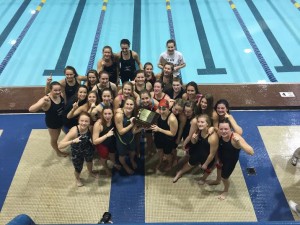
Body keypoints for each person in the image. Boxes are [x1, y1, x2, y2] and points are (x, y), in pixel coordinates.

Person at [200, 119, 254, 200]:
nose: (223, 131)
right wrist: (212, 128)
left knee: (224, 178)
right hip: (220, 157)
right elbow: (215, 129)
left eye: (226, 129)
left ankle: (225, 190)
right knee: (218, 168)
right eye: (221, 129)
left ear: (230, 129)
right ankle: (217, 181)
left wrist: (239, 144)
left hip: (230, 161)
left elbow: (251, 152)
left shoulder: (235, 138)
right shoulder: (220, 133)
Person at [173, 114, 219, 183]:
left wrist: (206, 164)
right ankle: (179, 173)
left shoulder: (213, 137)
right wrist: (193, 138)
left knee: (208, 169)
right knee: (189, 164)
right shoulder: (198, 131)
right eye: (198, 122)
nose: (199, 124)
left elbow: (212, 154)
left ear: (207, 124)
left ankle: (203, 179)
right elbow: (194, 143)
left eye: (202, 122)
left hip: (207, 156)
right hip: (198, 152)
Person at [29, 81, 68, 157]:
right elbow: (31, 109)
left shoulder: (61, 95)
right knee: (54, 139)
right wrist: (41, 103)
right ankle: (58, 152)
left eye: (59, 90)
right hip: (53, 124)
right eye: (55, 90)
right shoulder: (46, 100)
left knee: (67, 133)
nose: (58, 92)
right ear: (50, 90)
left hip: (62, 120)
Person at [58, 112, 97, 187]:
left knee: (89, 161)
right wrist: (72, 141)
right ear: (78, 121)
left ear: (89, 122)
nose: (84, 123)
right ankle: (77, 178)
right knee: (78, 168)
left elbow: (92, 137)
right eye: (82, 121)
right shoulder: (74, 131)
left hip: (88, 149)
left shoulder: (90, 128)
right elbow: (60, 145)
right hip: (77, 153)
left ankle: (90, 172)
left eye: (86, 121)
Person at [115, 97, 142, 174]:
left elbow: (133, 131)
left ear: (134, 106)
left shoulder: (134, 114)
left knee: (132, 151)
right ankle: (125, 166)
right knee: (122, 155)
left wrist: (143, 128)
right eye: (127, 104)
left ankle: (132, 160)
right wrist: (132, 124)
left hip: (131, 137)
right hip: (121, 139)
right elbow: (121, 132)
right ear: (124, 105)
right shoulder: (119, 115)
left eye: (131, 104)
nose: (129, 106)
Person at [93, 107, 121, 176]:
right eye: (105, 114)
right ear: (102, 114)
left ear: (112, 114)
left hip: (111, 141)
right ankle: (106, 168)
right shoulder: (98, 124)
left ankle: (114, 163)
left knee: (112, 154)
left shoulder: (113, 120)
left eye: (109, 114)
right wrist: (106, 135)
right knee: (104, 158)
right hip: (102, 144)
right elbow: (95, 141)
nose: (107, 116)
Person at [151, 99, 178, 171]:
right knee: (159, 151)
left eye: (164, 109)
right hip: (158, 136)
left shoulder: (172, 119)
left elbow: (173, 133)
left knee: (167, 154)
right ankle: (160, 161)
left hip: (168, 139)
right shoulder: (158, 112)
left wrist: (159, 129)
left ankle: (169, 164)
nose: (161, 111)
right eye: (159, 108)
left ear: (168, 108)